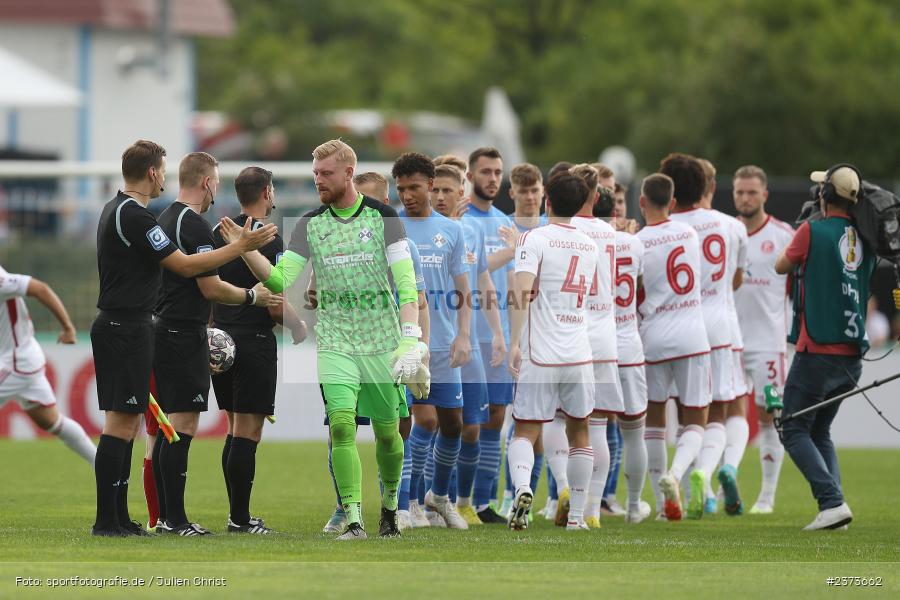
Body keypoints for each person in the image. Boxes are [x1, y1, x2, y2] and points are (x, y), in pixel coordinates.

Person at [223, 139, 425, 540]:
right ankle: (353, 519)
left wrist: (410, 338)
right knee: (343, 426)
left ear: (348, 172)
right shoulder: (310, 224)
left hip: (382, 342)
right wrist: (244, 250)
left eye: (326, 173)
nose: (319, 180)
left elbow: (405, 285)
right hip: (335, 342)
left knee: (388, 432)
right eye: (315, 174)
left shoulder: (384, 217)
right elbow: (281, 279)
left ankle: (388, 510)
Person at [90, 140, 276, 537]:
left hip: (145, 326)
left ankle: (126, 518)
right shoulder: (144, 217)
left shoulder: (145, 215)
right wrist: (243, 260)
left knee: (133, 427)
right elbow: (190, 270)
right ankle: (145, 519)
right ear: (156, 173)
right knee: (159, 426)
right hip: (145, 328)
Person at [152, 153, 281, 536]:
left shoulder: (165, 219)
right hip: (184, 332)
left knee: (173, 426)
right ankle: (176, 519)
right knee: (183, 424)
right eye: (217, 184)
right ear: (207, 183)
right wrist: (252, 297)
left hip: (170, 328)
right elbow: (210, 288)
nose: (217, 192)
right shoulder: (192, 225)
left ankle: (166, 517)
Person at [775, 164, 875, 531]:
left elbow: (780, 265)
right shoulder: (866, 239)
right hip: (852, 357)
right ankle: (837, 508)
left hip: (816, 351)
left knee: (791, 427)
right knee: (819, 432)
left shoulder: (811, 231)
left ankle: (831, 502)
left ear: (825, 196)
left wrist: (809, 230)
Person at [211, 166, 307, 535]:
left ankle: (236, 514)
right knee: (248, 432)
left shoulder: (216, 232)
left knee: (234, 429)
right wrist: (297, 325)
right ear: (267, 191)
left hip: (220, 341)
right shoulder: (268, 239)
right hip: (253, 341)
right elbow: (273, 299)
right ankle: (240, 519)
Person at [506, 172, 598, 532]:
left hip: (541, 350)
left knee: (526, 431)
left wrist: (514, 342)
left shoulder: (534, 238)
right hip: (579, 350)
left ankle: (524, 488)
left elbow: (521, 292)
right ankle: (576, 517)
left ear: (546, 199)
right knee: (581, 432)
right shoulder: (589, 244)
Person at [393, 152, 473, 530]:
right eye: (401, 188)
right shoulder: (393, 230)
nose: (408, 195)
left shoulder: (453, 231)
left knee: (453, 424)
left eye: (414, 187)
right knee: (410, 421)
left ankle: (438, 497)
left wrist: (464, 336)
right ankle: (405, 504)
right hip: (405, 342)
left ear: (429, 184)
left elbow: (464, 291)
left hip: (443, 343)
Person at [430, 162, 506, 525]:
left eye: (448, 190)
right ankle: (413, 502)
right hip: (433, 343)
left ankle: (460, 501)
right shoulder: (415, 228)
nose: (441, 197)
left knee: (472, 426)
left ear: (462, 191)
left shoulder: (471, 231)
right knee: (427, 422)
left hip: (470, 343)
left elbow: (484, 283)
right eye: (436, 190)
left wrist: (499, 334)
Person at [635, 173, 711, 522]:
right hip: (692, 336)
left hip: (652, 337)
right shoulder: (690, 234)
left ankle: (662, 505)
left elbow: (635, 292)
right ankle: (676, 475)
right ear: (674, 202)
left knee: (654, 419)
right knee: (696, 417)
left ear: (641, 202)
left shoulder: (638, 241)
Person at [664, 153, 731, 520]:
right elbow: (735, 278)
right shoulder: (727, 225)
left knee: (670, 413)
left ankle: (675, 488)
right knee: (713, 413)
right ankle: (700, 481)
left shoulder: (663, 226)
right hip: (716, 331)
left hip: (669, 325)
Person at [732, 165, 795, 514]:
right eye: (740, 192)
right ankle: (720, 485)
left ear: (765, 195)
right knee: (720, 415)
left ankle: (767, 496)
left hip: (769, 343)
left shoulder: (784, 235)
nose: (745, 198)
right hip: (729, 341)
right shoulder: (726, 233)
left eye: (752, 192)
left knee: (770, 413)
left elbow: (798, 286)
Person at [694, 157, 751, 516]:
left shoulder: (674, 226)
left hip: (684, 327)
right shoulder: (734, 226)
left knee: (690, 415)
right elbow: (736, 279)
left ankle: (700, 490)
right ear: (713, 187)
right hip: (725, 326)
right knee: (734, 407)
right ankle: (725, 468)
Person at [462, 147, 516, 524]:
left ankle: (483, 502)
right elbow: (469, 271)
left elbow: (511, 285)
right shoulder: (460, 220)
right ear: (470, 175)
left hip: (496, 336)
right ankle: (448, 496)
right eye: (486, 171)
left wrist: (512, 338)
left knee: (496, 417)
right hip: (465, 335)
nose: (493, 178)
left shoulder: (503, 222)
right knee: (461, 422)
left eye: (498, 172)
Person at [592, 185, 652, 524]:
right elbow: (640, 285)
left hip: (598, 343)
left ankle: (590, 507)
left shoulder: (583, 240)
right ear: (616, 211)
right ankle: (632, 507)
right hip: (628, 342)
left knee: (597, 426)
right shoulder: (634, 243)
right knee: (634, 432)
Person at [568, 164, 620, 529]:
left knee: (563, 421)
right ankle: (591, 508)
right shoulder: (610, 232)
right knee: (598, 425)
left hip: (573, 332)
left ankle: (564, 493)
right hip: (607, 336)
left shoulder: (563, 230)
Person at [0, 265, 95, 465]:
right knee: (51, 422)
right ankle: (103, 466)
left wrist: (68, 327)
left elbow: (40, 288)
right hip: (20, 359)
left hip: (16, 363)